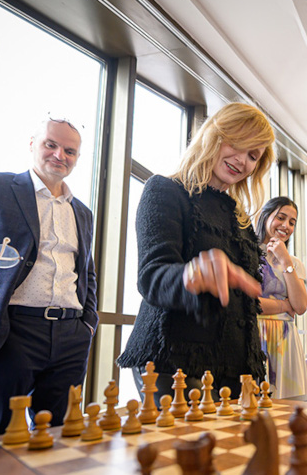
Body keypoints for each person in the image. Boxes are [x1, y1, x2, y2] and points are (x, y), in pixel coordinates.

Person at [117, 103, 274, 399]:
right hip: (174, 361)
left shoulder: (240, 218)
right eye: (237, 144)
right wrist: (193, 275)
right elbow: (152, 277)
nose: (241, 160)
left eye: (253, 155)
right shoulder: (165, 190)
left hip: (234, 366)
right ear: (214, 135)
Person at [0, 119, 98, 438]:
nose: (60, 155)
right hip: (9, 332)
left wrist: (87, 323)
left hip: (71, 335)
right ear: (32, 144)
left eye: (70, 151)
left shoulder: (83, 212)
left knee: (58, 439)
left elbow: (86, 272)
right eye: (51, 145)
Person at [256, 196, 307, 398]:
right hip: (254, 335)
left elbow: (301, 306)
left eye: (292, 222)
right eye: (281, 217)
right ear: (265, 216)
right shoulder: (246, 254)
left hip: (286, 342)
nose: (286, 226)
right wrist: (285, 306)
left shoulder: (293, 262)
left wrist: (285, 260)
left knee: (290, 405)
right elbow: (249, 303)